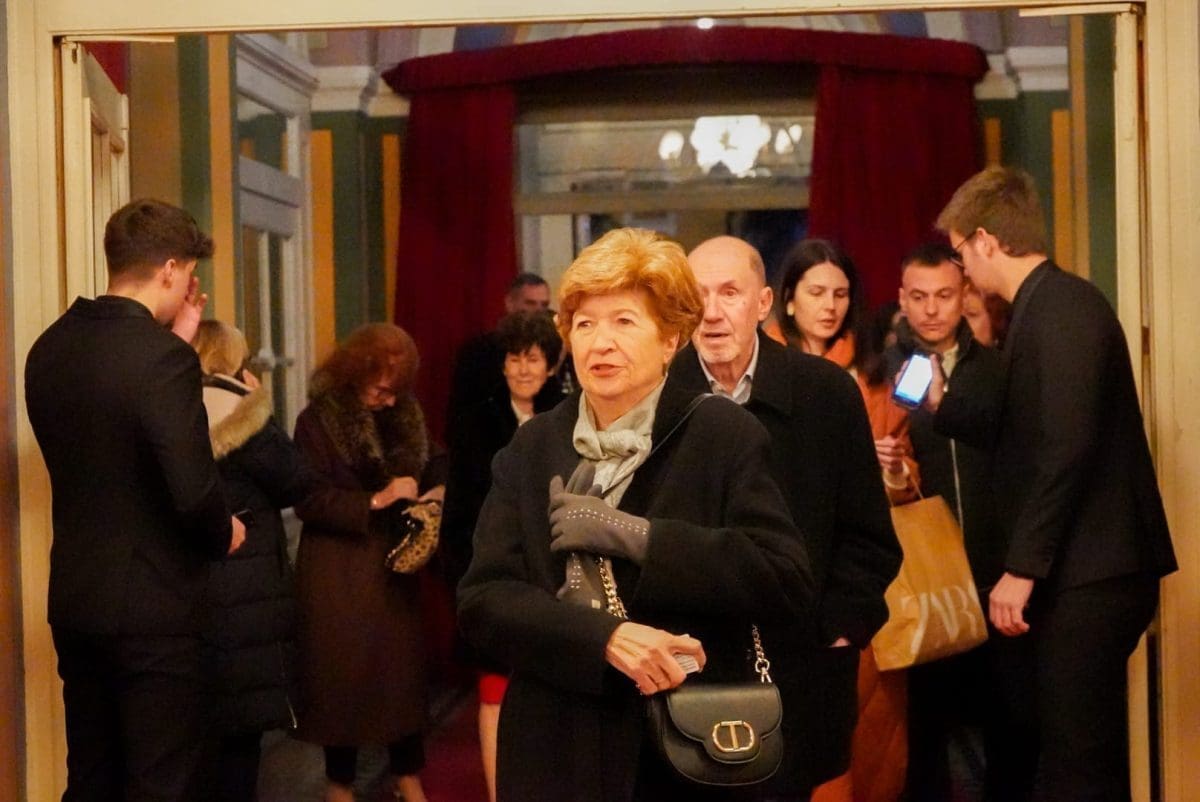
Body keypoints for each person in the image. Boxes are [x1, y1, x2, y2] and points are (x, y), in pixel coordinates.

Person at [457, 227, 814, 802]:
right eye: (584, 324)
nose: (600, 343)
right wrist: (606, 638)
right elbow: (484, 599)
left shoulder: (722, 434)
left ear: (670, 338)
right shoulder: (533, 447)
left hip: (683, 748)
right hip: (555, 746)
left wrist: (642, 538)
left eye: (624, 322)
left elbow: (784, 575)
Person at [929, 165, 1177, 801]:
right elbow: (1025, 429)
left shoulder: (1064, 307)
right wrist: (943, 407)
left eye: (959, 253)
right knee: (1069, 755)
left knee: (1079, 764)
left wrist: (1022, 567)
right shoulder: (1042, 307)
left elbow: (1066, 446)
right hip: (1084, 569)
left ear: (985, 240)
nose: (962, 269)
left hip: (1094, 571)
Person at [24, 198, 245, 802]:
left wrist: (175, 341)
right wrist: (223, 531)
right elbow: (192, 491)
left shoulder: (49, 347)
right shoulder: (162, 360)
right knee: (162, 783)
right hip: (155, 610)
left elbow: (106, 446)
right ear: (171, 269)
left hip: (76, 598)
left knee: (91, 778)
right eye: (188, 273)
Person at [666, 235, 900, 802]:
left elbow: (868, 534)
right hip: (685, 663)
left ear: (764, 302)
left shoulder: (826, 393)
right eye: (698, 296)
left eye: (730, 293)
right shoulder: (655, 395)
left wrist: (840, 629)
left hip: (802, 660)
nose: (713, 312)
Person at [772, 238, 917, 802]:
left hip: (863, 576)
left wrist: (892, 467)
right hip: (789, 569)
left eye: (840, 293)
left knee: (872, 734)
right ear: (788, 299)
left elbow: (908, 482)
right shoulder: (762, 369)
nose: (829, 305)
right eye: (816, 292)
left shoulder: (874, 372)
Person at [886, 244, 1023, 802]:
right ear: (901, 299)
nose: (931, 309)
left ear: (964, 294)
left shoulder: (995, 369)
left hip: (998, 577)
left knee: (1009, 727)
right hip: (925, 581)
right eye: (918, 296)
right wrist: (890, 466)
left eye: (943, 295)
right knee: (925, 737)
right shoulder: (885, 372)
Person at [292, 323, 447, 802]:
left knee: (401, 683)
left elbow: (437, 459)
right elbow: (308, 498)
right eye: (381, 390)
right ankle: (339, 784)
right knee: (342, 683)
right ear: (355, 374)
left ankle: (407, 775)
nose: (389, 400)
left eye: (397, 391)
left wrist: (437, 491)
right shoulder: (317, 421)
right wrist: (378, 499)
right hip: (337, 570)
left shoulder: (404, 412)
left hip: (393, 566)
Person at [191, 319, 317, 802]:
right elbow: (296, 480)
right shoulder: (241, 413)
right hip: (247, 592)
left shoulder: (171, 408)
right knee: (241, 742)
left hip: (190, 590)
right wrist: (259, 403)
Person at [441, 311, 563, 802]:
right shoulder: (475, 423)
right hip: (493, 580)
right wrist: (465, 581)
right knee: (493, 695)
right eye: (514, 358)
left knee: (552, 702)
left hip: (556, 588)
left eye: (532, 358)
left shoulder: (571, 419)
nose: (523, 369)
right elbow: (457, 513)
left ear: (551, 366)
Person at [446, 272, 552, 432]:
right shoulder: (479, 352)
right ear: (510, 303)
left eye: (544, 305)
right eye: (530, 303)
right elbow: (461, 413)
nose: (539, 311)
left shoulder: (555, 351)